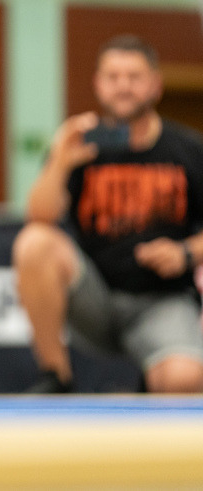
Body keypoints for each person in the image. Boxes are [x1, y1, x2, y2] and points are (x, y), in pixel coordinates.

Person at [13, 35, 203, 393]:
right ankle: (56, 377)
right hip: (94, 295)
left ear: (155, 85)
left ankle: (153, 380)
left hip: (161, 301)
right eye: (113, 77)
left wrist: (186, 253)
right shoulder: (81, 146)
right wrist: (59, 160)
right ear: (98, 84)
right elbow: (38, 217)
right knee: (35, 243)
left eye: (134, 77)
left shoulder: (188, 150)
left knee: (185, 382)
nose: (123, 86)